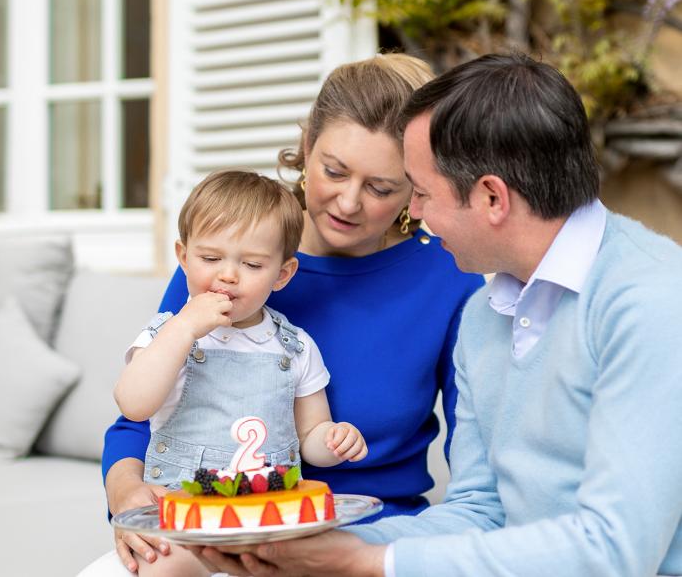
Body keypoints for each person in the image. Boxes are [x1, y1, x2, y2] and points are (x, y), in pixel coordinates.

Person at [188, 52, 682, 577]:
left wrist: (370, 561)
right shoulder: (486, 316)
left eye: (418, 192)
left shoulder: (651, 302)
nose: (413, 215)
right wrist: (293, 551)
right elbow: (479, 512)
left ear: (492, 197)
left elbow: (616, 550)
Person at [92, 54, 484, 575]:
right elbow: (142, 414)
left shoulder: (451, 278)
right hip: (216, 528)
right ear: (306, 148)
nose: (347, 202)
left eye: (380, 187)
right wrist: (127, 496)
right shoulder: (229, 256)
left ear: (417, 183)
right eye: (334, 171)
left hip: (367, 537)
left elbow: (479, 475)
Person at [112, 169, 366, 576]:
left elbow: (310, 436)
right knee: (162, 566)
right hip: (185, 521)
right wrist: (184, 328)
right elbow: (134, 405)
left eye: (251, 264)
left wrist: (334, 441)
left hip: (269, 523)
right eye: (211, 258)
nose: (228, 275)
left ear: (281, 275)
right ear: (183, 257)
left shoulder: (295, 346)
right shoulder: (167, 334)